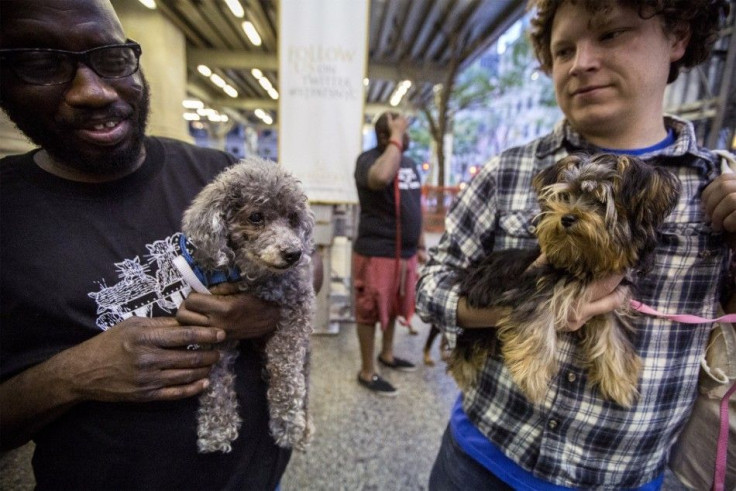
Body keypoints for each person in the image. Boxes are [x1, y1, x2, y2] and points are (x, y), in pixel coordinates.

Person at [0, 1, 321, 489]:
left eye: (110, 57)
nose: (92, 90)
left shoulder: (217, 171)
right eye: (43, 64)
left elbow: (305, 267)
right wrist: (73, 375)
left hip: (257, 475)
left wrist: (267, 310)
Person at [416, 0, 734, 489]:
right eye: (563, 49)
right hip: (478, 457)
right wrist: (531, 308)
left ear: (677, 36)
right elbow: (429, 289)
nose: (581, 62)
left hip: (622, 474)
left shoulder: (718, 185)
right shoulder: (509, 171)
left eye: (610, 35)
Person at [353, 111, 428, 396]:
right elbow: (381, 178)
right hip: (377, 253)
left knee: (395, 306)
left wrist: (420, 243)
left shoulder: (408, 163)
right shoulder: (368, 160)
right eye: (400, 131)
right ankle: (367, 371)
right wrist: (396, 136)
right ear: (385, 136)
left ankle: (386, 354)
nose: (406, 136)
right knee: (370, 310)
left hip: (405, 255)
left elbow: (415, 205)